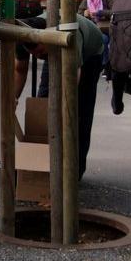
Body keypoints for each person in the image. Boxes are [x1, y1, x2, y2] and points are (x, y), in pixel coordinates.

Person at [13, 11, 104, 179]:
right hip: (54, 48)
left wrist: (63, 108)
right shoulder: (22, 37)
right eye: (35, 55)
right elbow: (20, 69)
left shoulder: (68, 35)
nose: (38, 57)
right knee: (42, 105)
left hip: (89, 54)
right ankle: (42, 168)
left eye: (40, 53)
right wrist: (14, 98)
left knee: (78, 113)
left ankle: (74, 172)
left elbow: (72, 79)